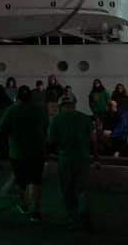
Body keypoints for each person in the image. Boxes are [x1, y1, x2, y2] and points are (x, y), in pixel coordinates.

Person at [0, 85, 49, 222]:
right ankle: (36, 211)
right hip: (38, 151)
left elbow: (2, 128)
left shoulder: (12, 110)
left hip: (18, 152)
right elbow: (46, 127)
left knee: (22, 182)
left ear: (17, 97)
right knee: (36, 181)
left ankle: (25, 205)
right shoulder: (39, 110)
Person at [48, 94, 95, 232]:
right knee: (82, 189)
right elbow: (93, 140)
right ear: (74, 104)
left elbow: (51, 141)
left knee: (68, 190)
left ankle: (73, 218)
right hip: (83, 158)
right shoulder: (85, 118)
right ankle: (84, 214)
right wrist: (96, 156)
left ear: (61, 106)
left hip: (65, 159)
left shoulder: (56, 119)